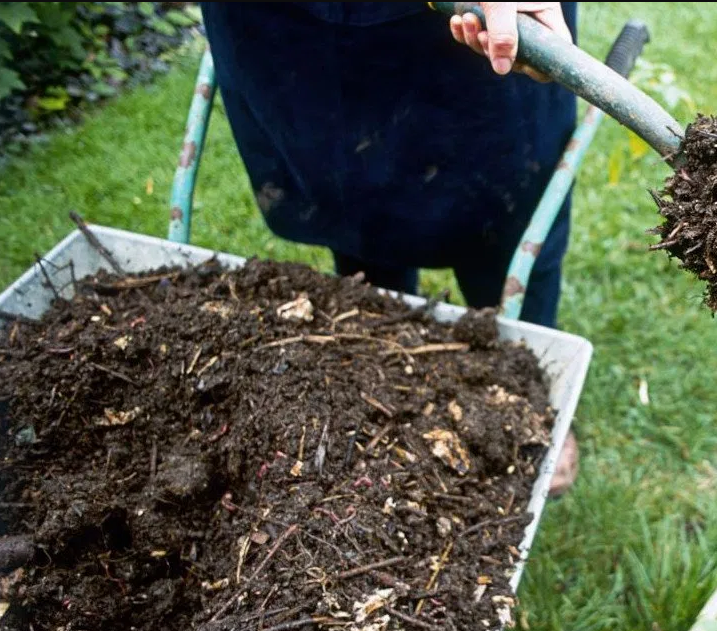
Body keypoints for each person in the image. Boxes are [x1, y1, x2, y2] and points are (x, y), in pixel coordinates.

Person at [199, 2, 581, 495]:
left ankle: (528, 393)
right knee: (350, 197)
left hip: (463, 45)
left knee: (511, 215)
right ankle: (389, 379)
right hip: (293, 28)